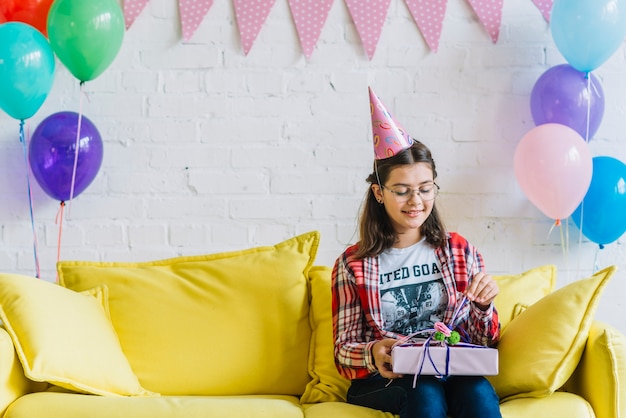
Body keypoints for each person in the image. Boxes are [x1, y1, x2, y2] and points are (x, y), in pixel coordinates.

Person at [332, 88, 502, 418]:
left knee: (478, 393)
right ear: (379, 193)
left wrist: (484, 305)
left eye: (425, 189)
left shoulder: (460, 251)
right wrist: (375, 351)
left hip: (451, 369)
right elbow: (342, 351)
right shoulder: (352, 265)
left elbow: (485, 342)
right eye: (402, 191)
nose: (416, 201)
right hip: (390, 379)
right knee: (423, 391)